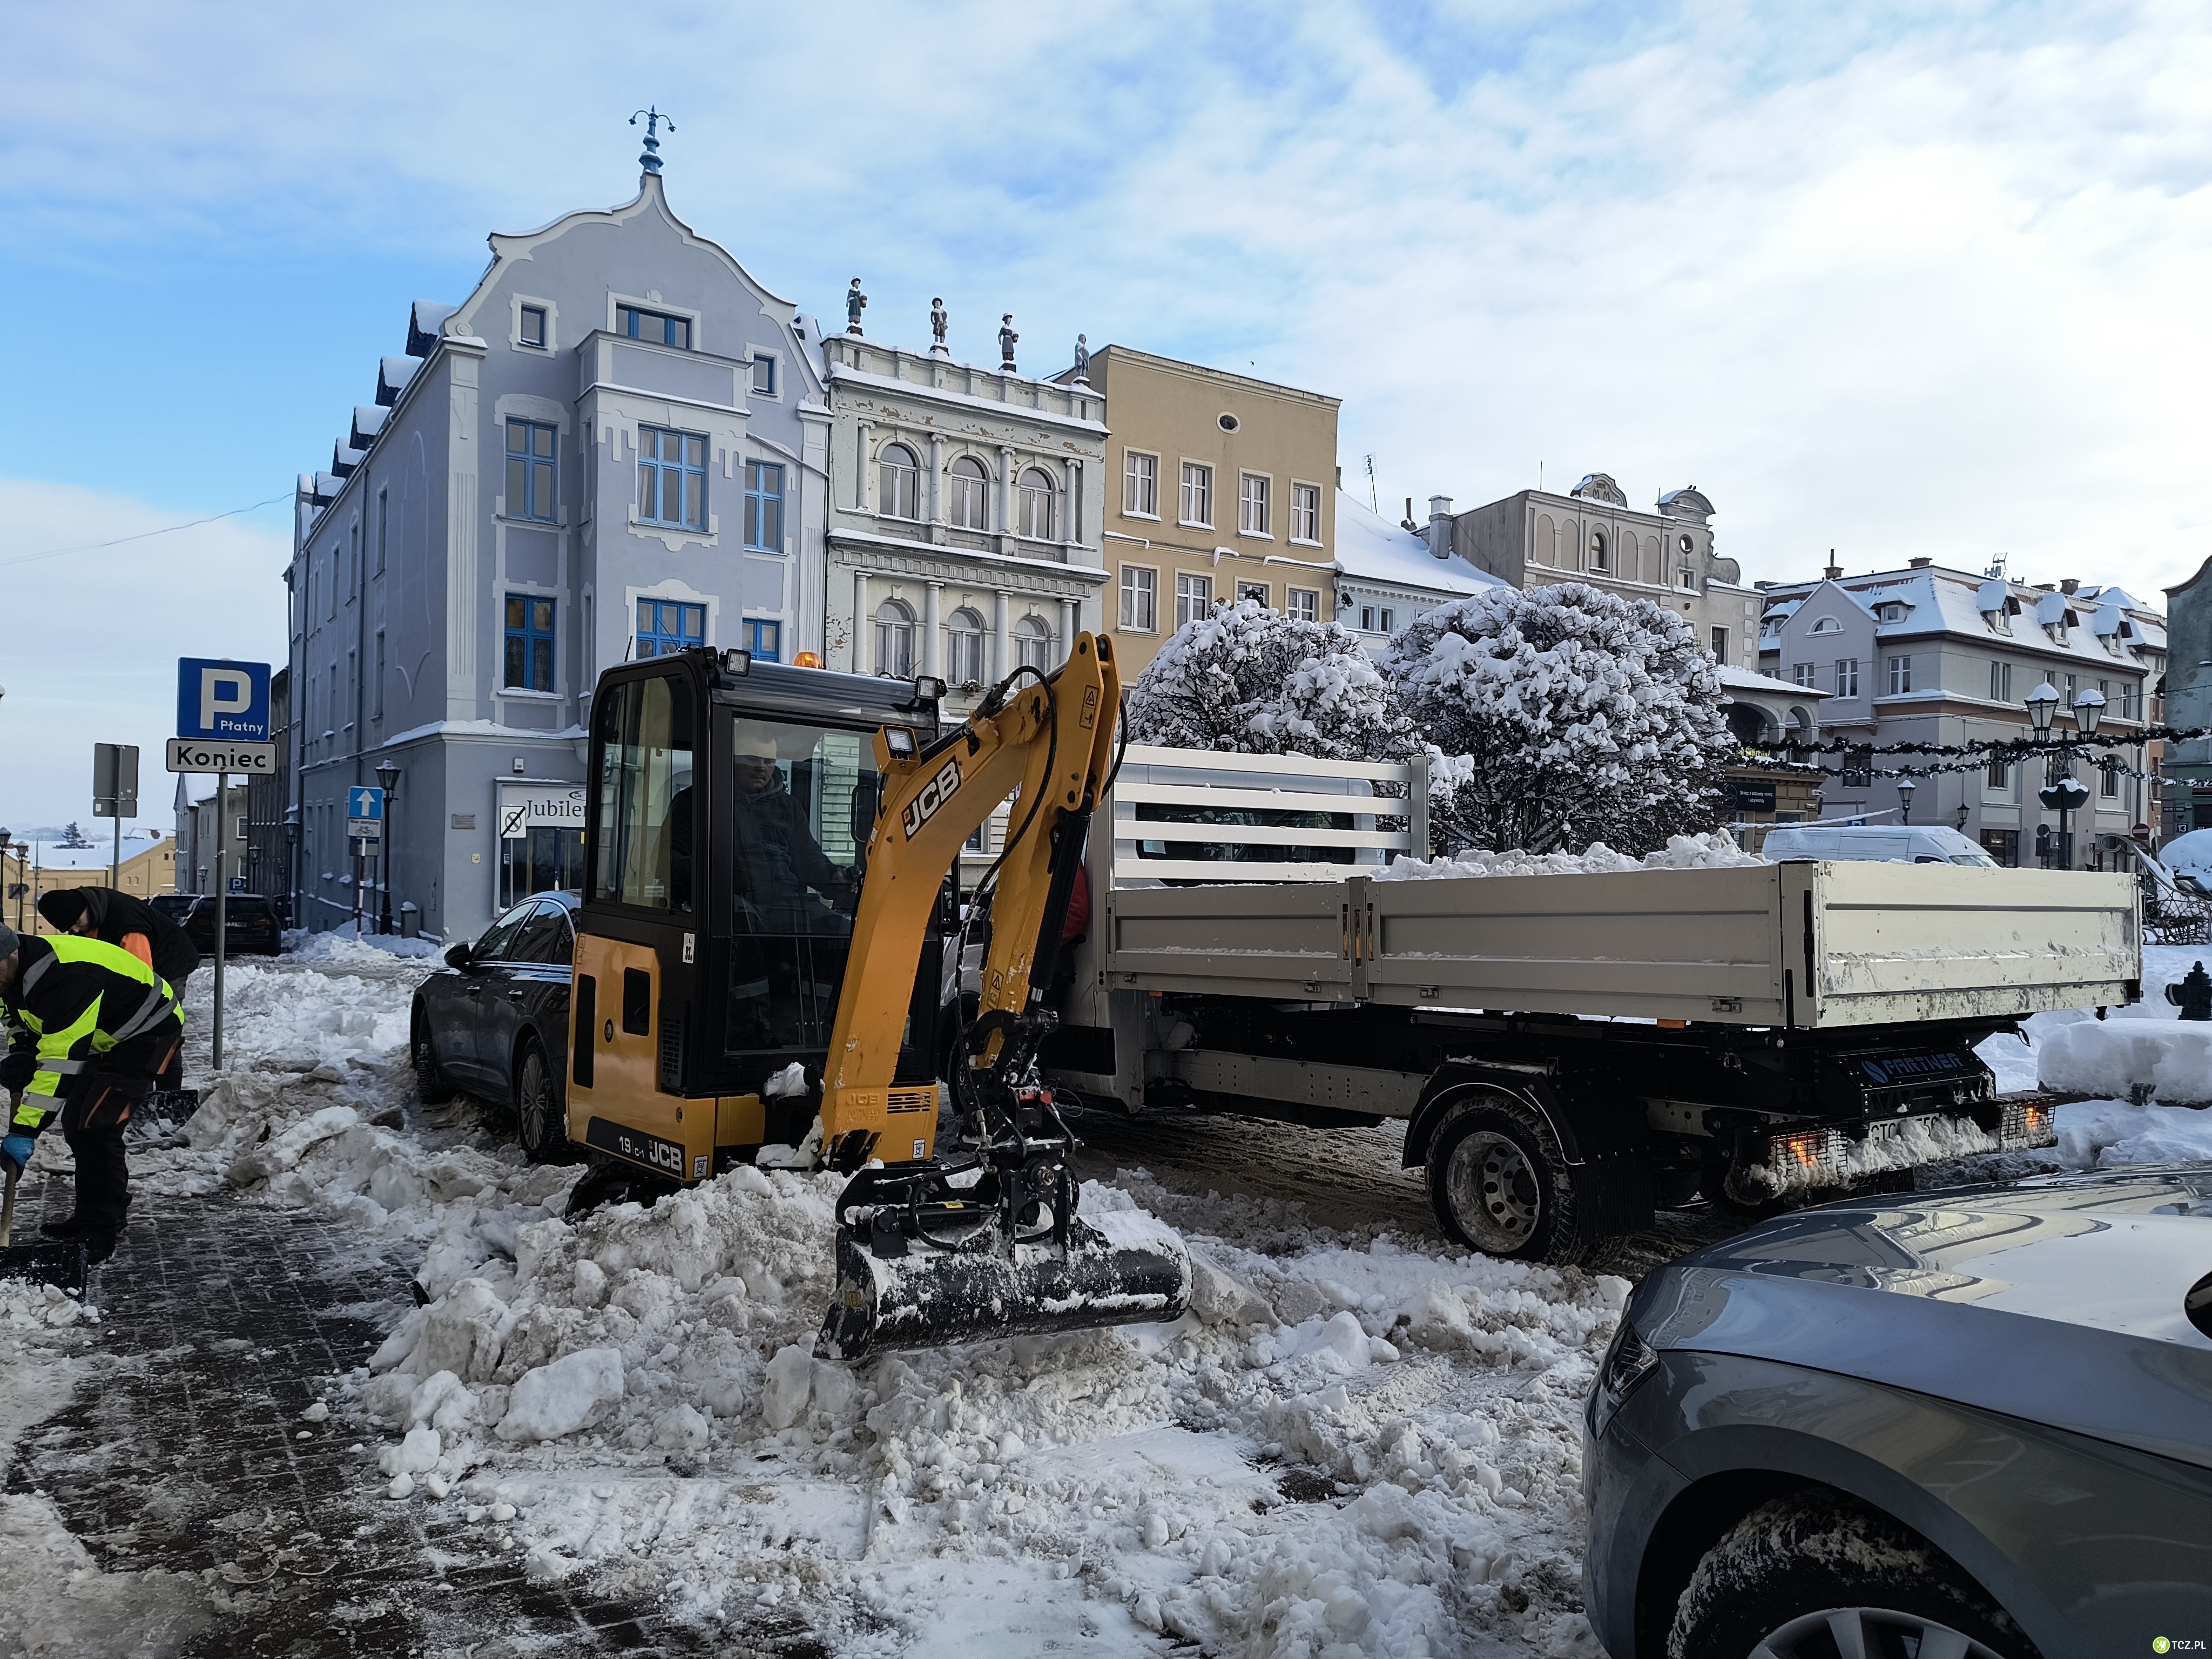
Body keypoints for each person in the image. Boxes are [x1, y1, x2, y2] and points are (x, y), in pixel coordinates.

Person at [0, 920, 185, 1262]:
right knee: (78, 1123)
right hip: (104, 1035)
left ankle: (102, 1228)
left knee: (97, 1126)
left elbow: (61, 1062)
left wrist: (24, 1130)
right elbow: (11, 1012)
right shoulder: (13, 972)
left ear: (11, 952)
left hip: (147, 1033)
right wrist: (23, 1046)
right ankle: (93, 1214)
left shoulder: (65, 980)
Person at [37, 887, 198, 1091]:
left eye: (77, 924)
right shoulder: (90, 913)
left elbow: (142, 981)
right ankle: (134, 1088)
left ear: (84, 909)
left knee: (162, 1030)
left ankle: (169, 1092)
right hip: (140, 965)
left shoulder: (127, 925)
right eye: (71, 928)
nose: (76, 931)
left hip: (168, 964)